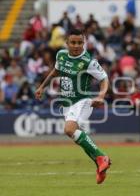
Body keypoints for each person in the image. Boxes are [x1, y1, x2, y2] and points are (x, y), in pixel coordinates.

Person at [35, 29, 111, 185]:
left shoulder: (88, 61)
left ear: (84, 43)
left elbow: (104, 79)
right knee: (77, 135)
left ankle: (102, 157)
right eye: (73, 42)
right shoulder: (61, 55)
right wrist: (42, 86)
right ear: (67, 43)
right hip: (67, 103)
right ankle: (99, 164)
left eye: (80, 43)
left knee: (69, 129)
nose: (77, 46)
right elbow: (55, 72)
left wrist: (101, 96)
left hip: (82, 101)